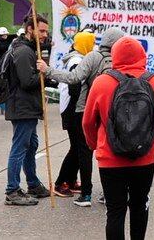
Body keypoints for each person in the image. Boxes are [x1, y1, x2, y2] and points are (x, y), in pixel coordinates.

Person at [82, 36, 154, 240]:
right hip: (144, 157)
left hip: (110, 159)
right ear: (142, 55)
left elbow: (88, 122)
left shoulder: (102, 82)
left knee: (115, 211)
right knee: (139, 206)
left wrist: (94, 145)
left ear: (114, 55)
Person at [3, 15, 53, 206]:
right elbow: (27, 81)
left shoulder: (29, 49)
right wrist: (43, 72)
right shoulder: (24, 51)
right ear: (30, 29)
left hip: (28, 106)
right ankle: (12, 190)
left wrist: (45, 74)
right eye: (41, 31)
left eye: (46, 31)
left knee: (31, 145)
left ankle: (33, 184)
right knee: (20, 147)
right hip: (22, 106)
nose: (44, 35)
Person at [53, 32, 97, 206]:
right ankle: (61, 182)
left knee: (77, 147)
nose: (93, 47)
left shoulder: (78, 58)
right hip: (73, 109)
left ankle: (70, 180)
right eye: (91, 43)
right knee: (77, 148)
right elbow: (74, 88)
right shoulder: (77, 61)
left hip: (72, 107)